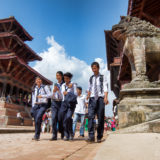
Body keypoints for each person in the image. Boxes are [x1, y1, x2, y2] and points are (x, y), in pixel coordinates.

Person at [87, 62, 108, 143]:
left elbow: (105, 88)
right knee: (90, 116)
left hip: (100, 99)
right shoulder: (91, 78)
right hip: (92, 99)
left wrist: (105, 98)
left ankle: (99, 136)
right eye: (92, 68)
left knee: (100, 118)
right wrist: (88, 96)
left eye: (95, 68)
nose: (94, 69)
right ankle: (91, 136)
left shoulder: (103, 77)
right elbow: (89, 88)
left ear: (98, 68)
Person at [31, 76, 51, 141]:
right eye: (37, 80)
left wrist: (42, 96)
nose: (38, 81)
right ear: (35, 81)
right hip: (36, 105)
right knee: (37, 120)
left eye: (39, 79)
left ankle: (36, 136)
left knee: (39, 117)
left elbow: (50, 95)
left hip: (43, 105)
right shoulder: (34, 88)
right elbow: (33, 98)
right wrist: (33, 106)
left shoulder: (45, 87)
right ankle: (36, 135)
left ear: (41, 81)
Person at [59, 72, 77, 141]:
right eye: (64, 78)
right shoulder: (63, 85)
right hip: (64, 103)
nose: (65, 79)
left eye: (67, 78)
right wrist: (66, 92)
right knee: (64, 119)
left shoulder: (73, 84)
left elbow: (75, 94)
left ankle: (71, 133)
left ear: (70, 78)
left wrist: (69, 92)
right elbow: (63, 93)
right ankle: (67, 135)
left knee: (68, 117)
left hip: (71, 103)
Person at [50, 71, 64, 141]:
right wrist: (53, 91)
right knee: (54, 118)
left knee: (60, 119)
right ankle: (54, 135)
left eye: (58, 75)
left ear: (61, 76)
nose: (57, 77)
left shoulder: (64, 85)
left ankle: (62, 132)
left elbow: (63, 95)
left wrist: (58, 91)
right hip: (54, 102)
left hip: (61, 103)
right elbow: (52, 95)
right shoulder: (54, 84)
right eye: (56, 75)